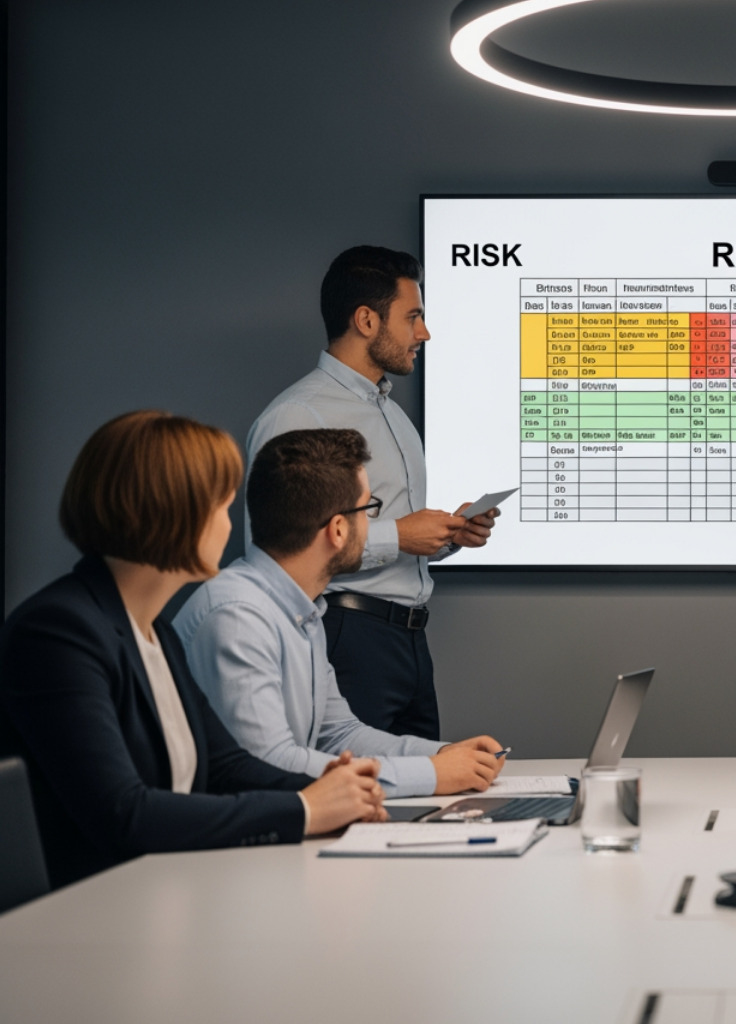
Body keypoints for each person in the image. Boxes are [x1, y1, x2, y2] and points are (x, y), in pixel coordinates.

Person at [0, 412, 386, 889]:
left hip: (158, 893)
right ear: (174, 512)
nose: (229, 527)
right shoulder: (58, 632)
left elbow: (226, 766)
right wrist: (306, 808)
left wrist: (334, 788)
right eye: (222, 507)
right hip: (85, 916)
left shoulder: (153, 630)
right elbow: (125, 813)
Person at [247, 246, 500, 739]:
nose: (423, 333)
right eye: (413, 317)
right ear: (366, 320)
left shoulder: (392, 413)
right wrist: (401, 536)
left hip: (409, 645)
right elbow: (273, 555)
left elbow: (390, 534)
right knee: (353, 797)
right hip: (347, 639)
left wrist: (449, 535)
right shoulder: (298, 416)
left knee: (427, 795)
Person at [175, 428, 508, 798]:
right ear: (337, 529)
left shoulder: (302, 609)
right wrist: (430, 773)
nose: (371, 524)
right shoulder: (238, 617)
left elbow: (339, 734)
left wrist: (445, 755)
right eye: (369, 509)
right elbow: (268, 763)